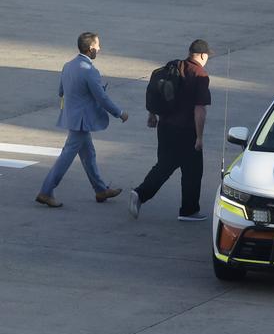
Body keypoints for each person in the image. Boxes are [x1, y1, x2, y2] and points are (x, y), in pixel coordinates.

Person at [36, 32, 129, 208]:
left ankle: (100, 190)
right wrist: (119, 113)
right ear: (91, 48)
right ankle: (46, 191)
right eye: (98, 46)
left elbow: (61, 91)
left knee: (89, 154)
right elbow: (101, 98)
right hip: (82, 120)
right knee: (67, 155)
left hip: (73, 117)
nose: (100, 49)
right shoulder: (90, 71)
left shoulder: (68, 65)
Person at [129, 39, 213, 221]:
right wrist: (199, 137)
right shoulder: (199, 74)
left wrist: (152, 115)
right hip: (186, 130)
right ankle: (142, 194)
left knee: (168, 165)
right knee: (190, 170)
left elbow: (155, 89)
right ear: (202, 55)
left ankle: (188, 210)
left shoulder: (173, 66)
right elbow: (200, 109)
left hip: (165, 127)